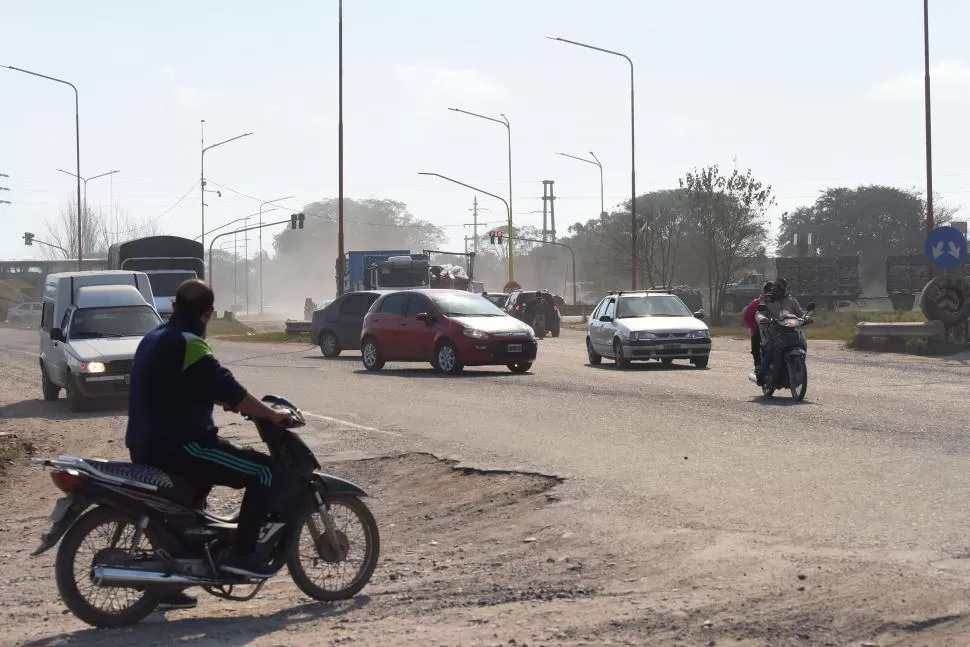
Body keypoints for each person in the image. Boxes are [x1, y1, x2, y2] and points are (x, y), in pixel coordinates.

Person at [126, 279, 293, 610]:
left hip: (145, 442)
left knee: (187, 508)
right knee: (263, 471)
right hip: (181, 445)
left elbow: (183, 384)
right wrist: (270, 414)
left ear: (174, 307)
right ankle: (243, 555)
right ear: (209, 313)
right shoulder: (190, 343)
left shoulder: (154, 338)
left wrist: (223, 399)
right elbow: (227, 386)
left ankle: (170, 581)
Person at [753, 278, 806, 385]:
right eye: (776, 285)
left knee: (801, 342)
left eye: (780, 286)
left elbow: (800, 313)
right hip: (771, 333)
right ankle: (761, 376)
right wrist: (762, 319)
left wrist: (806, 317)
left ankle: (797, 369)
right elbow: (758, 313)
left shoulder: (791, 300)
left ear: (785, 287)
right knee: (772, 348)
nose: (777, 288)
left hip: (789, 331)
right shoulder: (767, 299)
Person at [743, 282, 772, 373]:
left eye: (771, 290)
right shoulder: (757, 302)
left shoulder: (780, 301)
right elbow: (747, 316)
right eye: (767, 290)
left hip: (776, 329)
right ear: (763, 291)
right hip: (760, 329)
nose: (769, 292)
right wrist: (755, 327)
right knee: (756, 337)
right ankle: (758, 364)